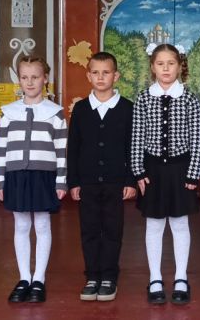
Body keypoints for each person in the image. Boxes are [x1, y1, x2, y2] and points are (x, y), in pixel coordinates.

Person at [131, 43, 200, 305]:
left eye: (171, 63)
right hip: (152, 172)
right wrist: (138, 170)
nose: (166, 68)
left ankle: (181, 277)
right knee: (154, 224)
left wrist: (193, 173)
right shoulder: (143, 98)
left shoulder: (189, 98)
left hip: (180, 170)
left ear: (180, 66)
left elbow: (197, 138)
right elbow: (137, 136)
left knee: (180, 224)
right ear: (152, 67)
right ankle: (155, 278)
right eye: (160, 64)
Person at [0, 56, 67, 304]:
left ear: (45, 79)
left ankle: (39, 279)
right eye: (24, 77)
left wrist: (61, 181)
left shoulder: (55, 113)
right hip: (16, 175)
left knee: (43, 225)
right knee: (21, 225)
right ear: (19, 80)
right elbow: (1, 149)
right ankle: (24, 277)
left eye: (35, 77)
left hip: (44, 176)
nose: (30, 82)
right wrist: (0, 181)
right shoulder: (8, 113)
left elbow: (61, 150)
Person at [68, 52, 136, 302]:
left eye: (105, 72)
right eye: (95, 72)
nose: (100, 77)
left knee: (112, 230)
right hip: (87, 182)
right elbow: (73, 147)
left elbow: (132, 147)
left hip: (115, 182)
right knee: (89, 230)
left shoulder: (127, 108)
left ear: (115, 76)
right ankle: (92, 276)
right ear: (88, 76)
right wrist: (74, 181)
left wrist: (130, 180)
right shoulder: (81, 109)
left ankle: (108, 276)